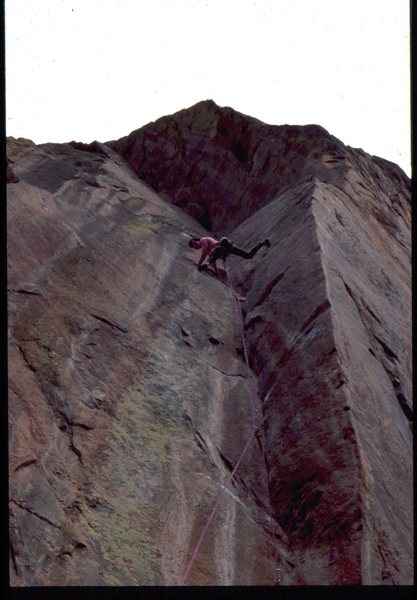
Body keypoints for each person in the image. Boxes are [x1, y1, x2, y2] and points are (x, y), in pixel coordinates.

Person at [189, 235, 270, 275]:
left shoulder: (203, 240)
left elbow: (205, 252)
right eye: (194, 247)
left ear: (196, 241)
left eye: (194, 244)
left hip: (222, 244)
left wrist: (199, 264)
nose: (195, 247)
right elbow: (212, 258)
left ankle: (207, 264)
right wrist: (217, 273)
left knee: (213, 256)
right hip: (227, 247)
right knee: (249, 255)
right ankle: (262, 243)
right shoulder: (212, 250)